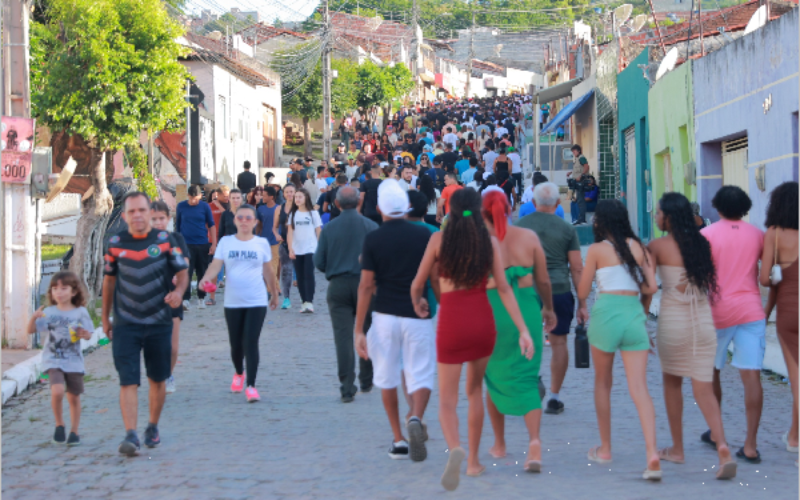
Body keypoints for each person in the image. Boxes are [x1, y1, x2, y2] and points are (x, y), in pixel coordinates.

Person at [411, 188, 532, 490]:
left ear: (449, 210)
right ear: (478, 212)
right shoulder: (489, 242)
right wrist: (524, 330)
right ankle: (475, 462)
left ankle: (456, 448)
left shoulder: (439, 240)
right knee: (475, 391)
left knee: (447, 401)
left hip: (452, 322)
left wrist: (419, 302)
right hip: (482, 321)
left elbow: (418, 283)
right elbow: (504, 289)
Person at [642, 193, 737, 479]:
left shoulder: (656, 246)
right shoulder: (702, 243)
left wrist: (641, 322)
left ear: (668, 217)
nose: (656, 216)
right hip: (703, 320)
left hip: (674, 319)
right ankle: (723, 448)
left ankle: (678, 449)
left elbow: (648, 289)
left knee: (672, 385)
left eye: (658, 213)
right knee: (704, 388)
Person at [577, 199, 660, 480]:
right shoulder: (640, 247)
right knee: (640, 388)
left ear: (600, 222)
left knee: (603, 383)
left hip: (606, 315)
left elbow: (584, 289)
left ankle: (605, 449)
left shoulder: (598, 250)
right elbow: (652, 286)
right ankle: (652, 454)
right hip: (634, 315)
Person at [102, 191, 189, 456]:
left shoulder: (166, 241)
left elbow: (182, 273)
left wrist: (179, 293)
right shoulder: (115, 243)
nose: (137, 215)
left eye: (141, 210)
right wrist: (105, 317)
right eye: (131, 212)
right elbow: (109, 282)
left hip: (159, 322)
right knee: (127, 380)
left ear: (150, 212)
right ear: (126, 215)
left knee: (157, 379)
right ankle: (130, 434)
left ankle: (152, 426)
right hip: (126, 323)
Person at [355, 180, 435, 463]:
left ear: (378, 208)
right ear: (408, 207)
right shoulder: (424, 236)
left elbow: (366, 286)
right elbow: (435, 279)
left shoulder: (373, 239)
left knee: (387, 378)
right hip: (417, 314)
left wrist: (358, 330)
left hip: (385, 315)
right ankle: (416, 416)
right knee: (421, 373)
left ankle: (399, 440)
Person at [481, 190, 556, 471]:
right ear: (510, 208)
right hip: (525, 309)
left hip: (492, 311)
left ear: (482, 213)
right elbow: (544, 281)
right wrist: (547, 309)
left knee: (491, 376)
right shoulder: (528, 238)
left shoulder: (481, 244)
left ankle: (499, 443)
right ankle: (534, 443)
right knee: (527, 377)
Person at [701, 186, 765, 463]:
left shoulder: (707, 235)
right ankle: (750, 445)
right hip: (751, 310)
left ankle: (718, 434)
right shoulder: (757, 235)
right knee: (751, 375)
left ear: (717, 207)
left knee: (712, 370)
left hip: (717, 310)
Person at [517, 182, 587, 413]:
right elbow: (577, 268)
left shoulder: (520, 227)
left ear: (533, 203)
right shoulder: (567, 229)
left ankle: (528, 386)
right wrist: (583, 302)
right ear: (558, 203)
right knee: (558, 343)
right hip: (558, 290)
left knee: (526, 340)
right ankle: (554, 397)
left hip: (526, 291)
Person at [199, 204, 279, 403]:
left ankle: (251, 386)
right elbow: (216, 265)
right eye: (240, 217)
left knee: (250, 342)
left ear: (255, 222)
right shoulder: (226, 242)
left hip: (257, 300)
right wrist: (206, 279)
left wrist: (275, 293)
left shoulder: (261, 244)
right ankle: (238, 372)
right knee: (236, 344)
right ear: (235, 220)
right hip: (233, 301)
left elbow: (268, 271)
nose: (244, 221)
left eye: (248, 218)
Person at [314, 186, 378, 403]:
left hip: (339, 283)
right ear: (359, 202)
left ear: (337, 204)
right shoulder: (370, 226)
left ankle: (347, 385)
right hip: (365, 282)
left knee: (342, 336)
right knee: (367, 330)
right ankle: (367, 378)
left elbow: (319, 262)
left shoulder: (329, 228)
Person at [27, 271, 94, 446]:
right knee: (57, 391)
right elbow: (31, 330)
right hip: (53, 359)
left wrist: (84, 334)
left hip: (74, 360)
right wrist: (33, 318)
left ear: (74, 292)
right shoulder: (48, 312)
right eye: (55, 288)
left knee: (73, 397)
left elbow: (88, 335)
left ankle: (74, 431)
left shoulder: (80, 312)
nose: (59, 292)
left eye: (64, 288)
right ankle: (59, 424)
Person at [760, 181, 799, 456]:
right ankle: (794, 435)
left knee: (796, 377)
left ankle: (796, 438)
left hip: (789, 312)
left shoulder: (773, 234)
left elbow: (765, 279)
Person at [150, 202, 191, 395]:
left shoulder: (176, 238)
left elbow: (185, 261)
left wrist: (180, 273)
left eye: (161, 218)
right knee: (153, 346)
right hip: (150, 300)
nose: (158, 222)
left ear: (168, 219)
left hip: (172, 297)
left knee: (172, 347)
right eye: (154, 219)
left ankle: (168, 375)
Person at [176, 185, 216, 310]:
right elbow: (178, 226)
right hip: (186, 244)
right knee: (186, 271)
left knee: (202, 272)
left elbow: (211, 225)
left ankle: (201, 298)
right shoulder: (181, 206)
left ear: (200, 196)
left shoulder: (204, 207)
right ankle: (186, 299)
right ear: (188, 196)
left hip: (202, 243)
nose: (194, 200)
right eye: (192, 198)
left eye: (196, 198)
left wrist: (213, 244)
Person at [287, 188, 322, 313]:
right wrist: (290, 248)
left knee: (308, 273)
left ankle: (309, 301)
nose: (297, 199)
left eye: (300, 197)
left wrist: (320, 247)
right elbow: (290, 233)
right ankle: (304, 301)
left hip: (310, 248)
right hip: (297, 249)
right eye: (296, 197)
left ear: (306, 198)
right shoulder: (293, 214)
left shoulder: (313, 213)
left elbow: (318, 231)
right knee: (300, 276)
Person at [273, 183, 296, 310]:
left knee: (301, 271)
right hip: (284, 243)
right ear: (283, 193)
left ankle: (306, 299)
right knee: (286, 270)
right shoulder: (279, 208)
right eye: (287, 192)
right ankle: (286, 298)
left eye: (291, 192)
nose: (289, 194)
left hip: (299, 243)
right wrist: (276, 234)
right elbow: (275, 226)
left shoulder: (300, 207)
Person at [257, 187, 281, 279]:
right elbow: (259, 224)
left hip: (275, 241)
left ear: (271, 197)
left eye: (264, 196)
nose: (262, 197)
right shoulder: (260, 209)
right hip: (263, 241)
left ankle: (271, 289)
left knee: (274, 265)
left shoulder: (279, 208)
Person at [567, 145, 590, 225]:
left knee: (581, 201)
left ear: (578, 151)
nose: (573, 153)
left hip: (581, 182)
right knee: (578, 200)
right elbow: (578, 169)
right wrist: (571, 172)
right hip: (577, 183)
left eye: (574, 152)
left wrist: (582, 175)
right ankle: (580, 218)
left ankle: (582, 219)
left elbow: (586, 166)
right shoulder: (577, 159)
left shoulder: (581, 158)